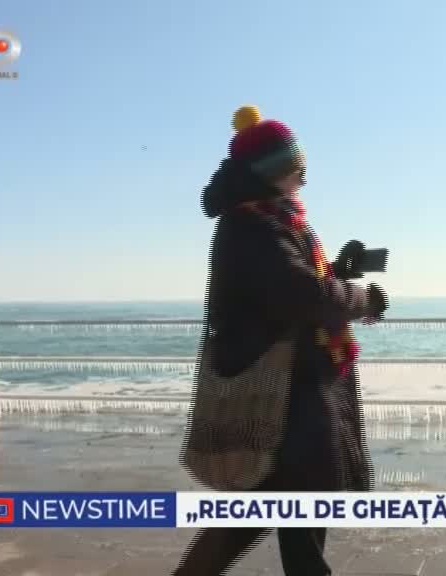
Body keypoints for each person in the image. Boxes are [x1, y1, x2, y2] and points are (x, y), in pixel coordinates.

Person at [174, 105, 388, 576]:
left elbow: (295, 285)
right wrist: (362, 298)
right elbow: (303, 295)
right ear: (269, 171)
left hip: (294, 392)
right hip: (282, 398)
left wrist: (341, 270)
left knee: (284, 508)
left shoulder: (271, 220)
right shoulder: (252, 225)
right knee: (275, 505)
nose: (303, 178)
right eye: (295, 168)